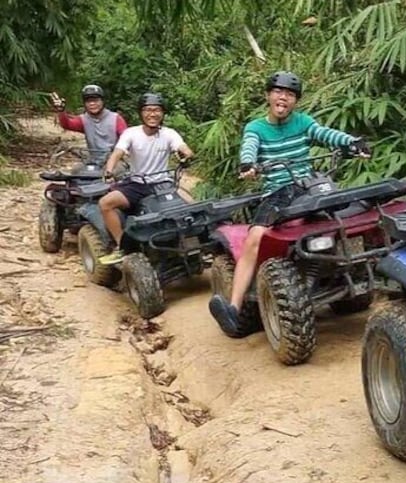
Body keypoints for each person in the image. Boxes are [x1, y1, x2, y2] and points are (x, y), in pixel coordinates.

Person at [208, 71, 371, 337]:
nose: (283, 97)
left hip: (309, 187)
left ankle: (355, 273)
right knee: (255, 237)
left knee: (353, 217)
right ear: (268, 96)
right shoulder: (256, 128)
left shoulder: (304, 122)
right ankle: (234, 309)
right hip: (276, 192)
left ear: (295, 101)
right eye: (278, 91)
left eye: (290, 94)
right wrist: (248, 164)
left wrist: (352, 143)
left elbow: (326, 134)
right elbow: (249, 146)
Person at [98, 93, 194, 265]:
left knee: (192, 204)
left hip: (163, 183)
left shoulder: (169, 133)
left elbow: (183, 148)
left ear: (163, 113)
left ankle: (194, 244)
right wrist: (109, 169)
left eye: (157, 110)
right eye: (148, 110)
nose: (152, 114)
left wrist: (186, 155)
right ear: (141, 113)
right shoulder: (131, 133)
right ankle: (122, 246)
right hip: (137, 184)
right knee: (105, 203)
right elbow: (117, 153)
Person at [50, 85, 127, 166]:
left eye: (96, 100)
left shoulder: (115, 118)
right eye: (88, 101)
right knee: (76, 172)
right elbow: (67, 124)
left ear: (103, 101)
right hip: (93, 160)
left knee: (113, 174)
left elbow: (126, 138)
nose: (92, 103)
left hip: (115, 160)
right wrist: (61, 111)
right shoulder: (84, 119)